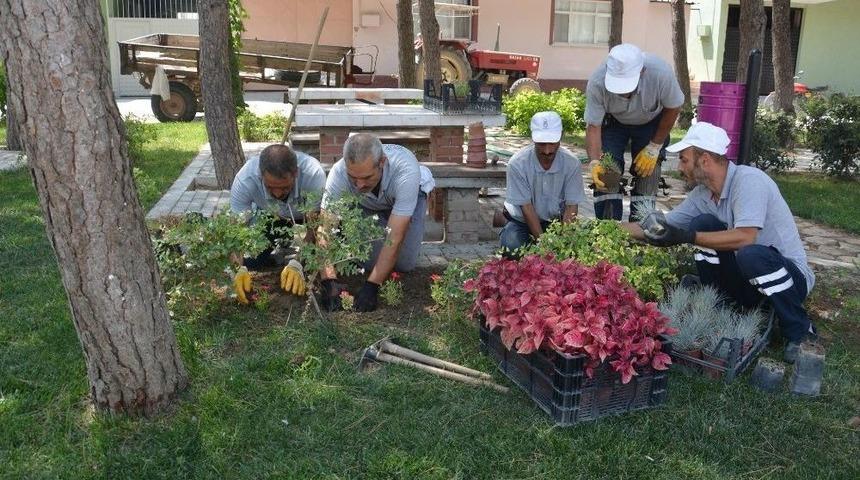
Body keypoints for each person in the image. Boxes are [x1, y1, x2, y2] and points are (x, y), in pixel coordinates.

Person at [623, 122, 817, 363]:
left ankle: (800, 332)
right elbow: (662, 226)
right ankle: (723, 306)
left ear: (704, 160)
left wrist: (688, 237)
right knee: (703, 223)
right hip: (750, 280)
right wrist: (607, 229)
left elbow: (747, 237)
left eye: (684, 159)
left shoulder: (749, 181)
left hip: (789, 278)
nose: (680, 167)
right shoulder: (702, 195)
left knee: (750, 253)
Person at [319, 133, 434, 312]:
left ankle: (370, 239)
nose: (358, 185)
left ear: (382, 163)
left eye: (366, 177)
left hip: (410, 195)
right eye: (353, 178)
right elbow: (324, 230)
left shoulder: (406, 170)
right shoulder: (339, 173)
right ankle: (360, 236)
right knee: (370, 260)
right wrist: (329, 280)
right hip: (367, 205)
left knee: (405, 264)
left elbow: (394, 237)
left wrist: (372, 285)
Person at [584, 43, 684, 221]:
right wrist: (593, 161)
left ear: (642, 71)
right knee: (607, 171)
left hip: (651, 122)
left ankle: (641, 226)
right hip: (614, 122)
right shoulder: (597, 82)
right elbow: (593, 126)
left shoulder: (660, 73)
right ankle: (608, 230)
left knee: (648, 171)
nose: (623, 93)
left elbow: (673, 107)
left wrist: (655, 146)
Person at [230, 143, 326, 304]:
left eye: (284, 187)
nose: (277, 193)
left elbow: (315, 226)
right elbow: (236, 230)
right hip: (271, 216)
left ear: (295, 173)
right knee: (254, 262)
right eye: (270, 187)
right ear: (261, 175)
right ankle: (277, 249)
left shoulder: (313, 174)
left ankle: (291, 253)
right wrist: (237, 269)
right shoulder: (245, 179)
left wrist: (298, 262)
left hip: (305, 215)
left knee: (313, 259)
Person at [499, 111, 585, 254]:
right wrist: (544, 246)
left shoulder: (572, 164)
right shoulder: (517, 164)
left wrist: (563, 243)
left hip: (556, 222)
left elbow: (571, 207)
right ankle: (507, 224)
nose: (547, 150)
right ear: (532, 138)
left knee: (574, 251)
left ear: (561, 136)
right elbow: (527, 208)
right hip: (522, 221)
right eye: (541, 144)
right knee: (513, 247)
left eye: (552, 143)